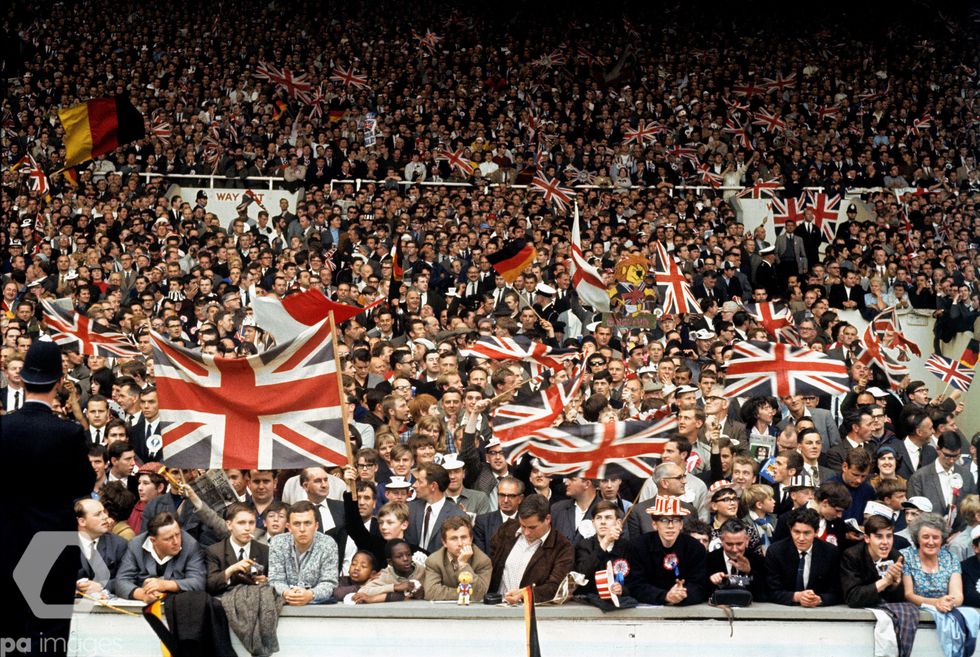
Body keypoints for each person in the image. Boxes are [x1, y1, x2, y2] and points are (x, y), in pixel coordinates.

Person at [0, 338, 94, 652]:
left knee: (9, 634)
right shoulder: (68, 432)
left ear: (22, 379)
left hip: (6, 546)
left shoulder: (3, 428)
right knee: (49, 637)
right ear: (58, 382)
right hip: (52, 550)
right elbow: (84, 483)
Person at [489, 494, 574, 604]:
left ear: (547, 519)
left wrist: (525, 594)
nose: (526, 532)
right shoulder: (507, 529)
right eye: (523, 526)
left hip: (532, 612)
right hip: (497, 606)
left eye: (532, 527)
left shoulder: (562, 547)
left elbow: (555, 587)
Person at [624, 495, 707, 606]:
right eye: (664, 520)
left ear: (681, 524)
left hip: (684, 609)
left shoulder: (695, 548)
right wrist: (665, 596)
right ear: (654, 524)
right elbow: (635, 585)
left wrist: (682, 594)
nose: (670, 526)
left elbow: (701, 585)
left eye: (676, 520)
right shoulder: (638, 546)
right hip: (649, 609)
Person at [114, 512, 207, 600]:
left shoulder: (190, 545)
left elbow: (198, 582)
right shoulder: (136, 545)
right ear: (153, 541)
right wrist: (143, 595)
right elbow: (121, 581)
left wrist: (165, 585)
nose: (176, 541)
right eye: (168, 538)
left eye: (178, 534)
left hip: (177, 604)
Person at [765, 507, 842, 606]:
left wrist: (820, 599)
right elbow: (770, 590)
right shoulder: (776, 551)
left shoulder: (831, 553)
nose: (801, 538)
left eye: (807, 533)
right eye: (796, 532)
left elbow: (837, 591)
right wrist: (796, 596)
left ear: (816, 532)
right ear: (790, 530)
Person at [268, 501, 339, 605]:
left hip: (317, 607)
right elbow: (275, 580)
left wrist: (310, 594)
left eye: (307, 523)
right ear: (289, 527)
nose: (302, 529)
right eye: (296, 524)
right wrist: (287, 593)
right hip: (284, 605)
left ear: (316, 526)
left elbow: (329, 583)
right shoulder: (278, 543)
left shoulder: (328, 544)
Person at [906, 431, 977, 533]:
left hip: (959, 536)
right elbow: (914, 514)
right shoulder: (919, 478)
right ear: (938, 449)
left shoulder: (966, 476)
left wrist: (960, 533)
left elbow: (973, 510)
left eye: (956, 456)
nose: (951, 460)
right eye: (947, 455)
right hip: (928, 535)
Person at [900, 512, 963, 612]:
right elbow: (908, 594)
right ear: (917, 538)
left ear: (942, 539)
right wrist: (936, 602)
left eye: (935, 537)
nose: (931, 542)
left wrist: (950, 603)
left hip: (946, 612)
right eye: (925, 537)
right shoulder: (905, 556)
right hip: (914, 615)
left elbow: (957, 595)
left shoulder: (951, 558)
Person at [840, 514, 905, 607]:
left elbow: (898, 601)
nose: (885, 542)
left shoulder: (896, 557)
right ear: (867, 538)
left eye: (889, 536)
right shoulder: (852, 556)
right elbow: (852, 598)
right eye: (879, 537)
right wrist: (885, 581)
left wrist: (895, 584)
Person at [204, 502, 270, 595]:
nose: (247, 528)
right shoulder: (214, 551)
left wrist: (266, 581)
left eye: (251, 523)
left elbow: (275, 582)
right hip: (224, 601)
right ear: (229, 525)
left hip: (256, 599)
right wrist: (231, 570)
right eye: (241, 523)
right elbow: (210, 586)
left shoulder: (265, 551)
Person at [423, 515, 493, 601]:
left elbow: (479, 594)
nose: (460, 543)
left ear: (471, 539)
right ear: (444, 542)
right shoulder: (434, 561)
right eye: (454, 538)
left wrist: (463, 565)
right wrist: (465, 594)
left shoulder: (483, 561)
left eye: (464, 537)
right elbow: (431, 592)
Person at [406, 462, 467, 553]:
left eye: (419, 481)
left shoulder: (457, 515)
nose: (414, 485)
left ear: (433, 486)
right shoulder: (410, 509)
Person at [574, 500, 629, 596]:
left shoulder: (626, 547)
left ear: (618, 523)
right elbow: (581, 576)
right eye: (599, 518)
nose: (603, 522)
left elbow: (635, 582)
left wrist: (623, 589)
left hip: (620, 604)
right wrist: (605, 542)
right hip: (588, 603)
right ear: (593, 522)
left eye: (608, 518)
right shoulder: (584, 545)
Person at [75, 498, 129, 596]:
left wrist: (101, 586)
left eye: (104, 512)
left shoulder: (119, 544)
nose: (105, 516)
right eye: (98, 514)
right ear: (82, 521)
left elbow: (127, 578)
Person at [706, 519, 768, 601]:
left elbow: (765, 594)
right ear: (721, 540)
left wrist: (749, 572)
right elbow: (701, 592)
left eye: (739, 544)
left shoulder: (758, 560)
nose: (734, 549)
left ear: (747, 540)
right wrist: (711, 580)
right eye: (729, 544)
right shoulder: (708, 560)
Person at [357, 539, 426, 602]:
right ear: (390, 562)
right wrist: (394, 587)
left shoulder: (423, 571)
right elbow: (362, 591)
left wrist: (424, 593)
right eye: (399, 556)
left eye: (408, 554)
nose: (405, 559)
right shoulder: (385, 574)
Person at [473, 476, 524, 554]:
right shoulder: (483, 522)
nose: (506, 500)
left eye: (511, 496)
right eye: (502, 495)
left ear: (520, 499)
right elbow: (481, 556)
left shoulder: (526, 522)